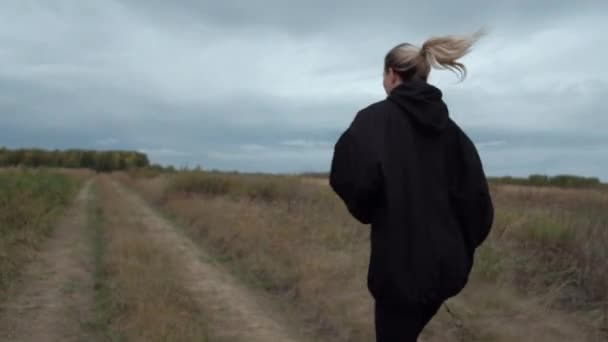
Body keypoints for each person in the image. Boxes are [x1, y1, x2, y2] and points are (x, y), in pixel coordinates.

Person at [329, 30, 494, 342]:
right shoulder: (454, 135)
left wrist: (374, 211)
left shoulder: (373, 121)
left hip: (397, 273)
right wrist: (456, 249)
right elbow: (479, 206)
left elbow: (347, 177)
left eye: (383, 74)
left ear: (392, 75)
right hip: (446, 271)